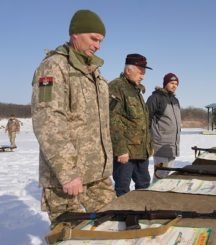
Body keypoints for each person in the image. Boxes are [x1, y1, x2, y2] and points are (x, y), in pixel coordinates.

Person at [31, 9, 115, 226]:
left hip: (97, 174)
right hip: (66, 179)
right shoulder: (54, 66)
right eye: (94, 38)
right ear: (75, 34)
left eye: (101, 41)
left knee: (113, 226)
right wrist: (67, 172)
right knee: (71, 235)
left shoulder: (93, 72)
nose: (98, 45)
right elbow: (48, 120)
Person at [109, 53, 153, 196]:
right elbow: (112, 119)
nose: (143, 76)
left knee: (144, 185)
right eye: (140, 72)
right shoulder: (116, 87)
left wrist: (149, 146)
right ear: (128, 70)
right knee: (122, 188)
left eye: (144, 72)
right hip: (125, 152)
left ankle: (141, 215)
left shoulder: (136, 90)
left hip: (141, 151)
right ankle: (123, 216)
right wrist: (121, 149)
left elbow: (140, 121)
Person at [146, 73, 182, 182]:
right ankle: (155, 195)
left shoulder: (175, 101)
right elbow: (146, 119)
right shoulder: (155, 98)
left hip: (172, 145)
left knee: (168, 173)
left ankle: (163, 196)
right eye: (171, 83)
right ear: (165, 83)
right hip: (160, 144)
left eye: (176, 84)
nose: (174, 85)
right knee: (160, 174)